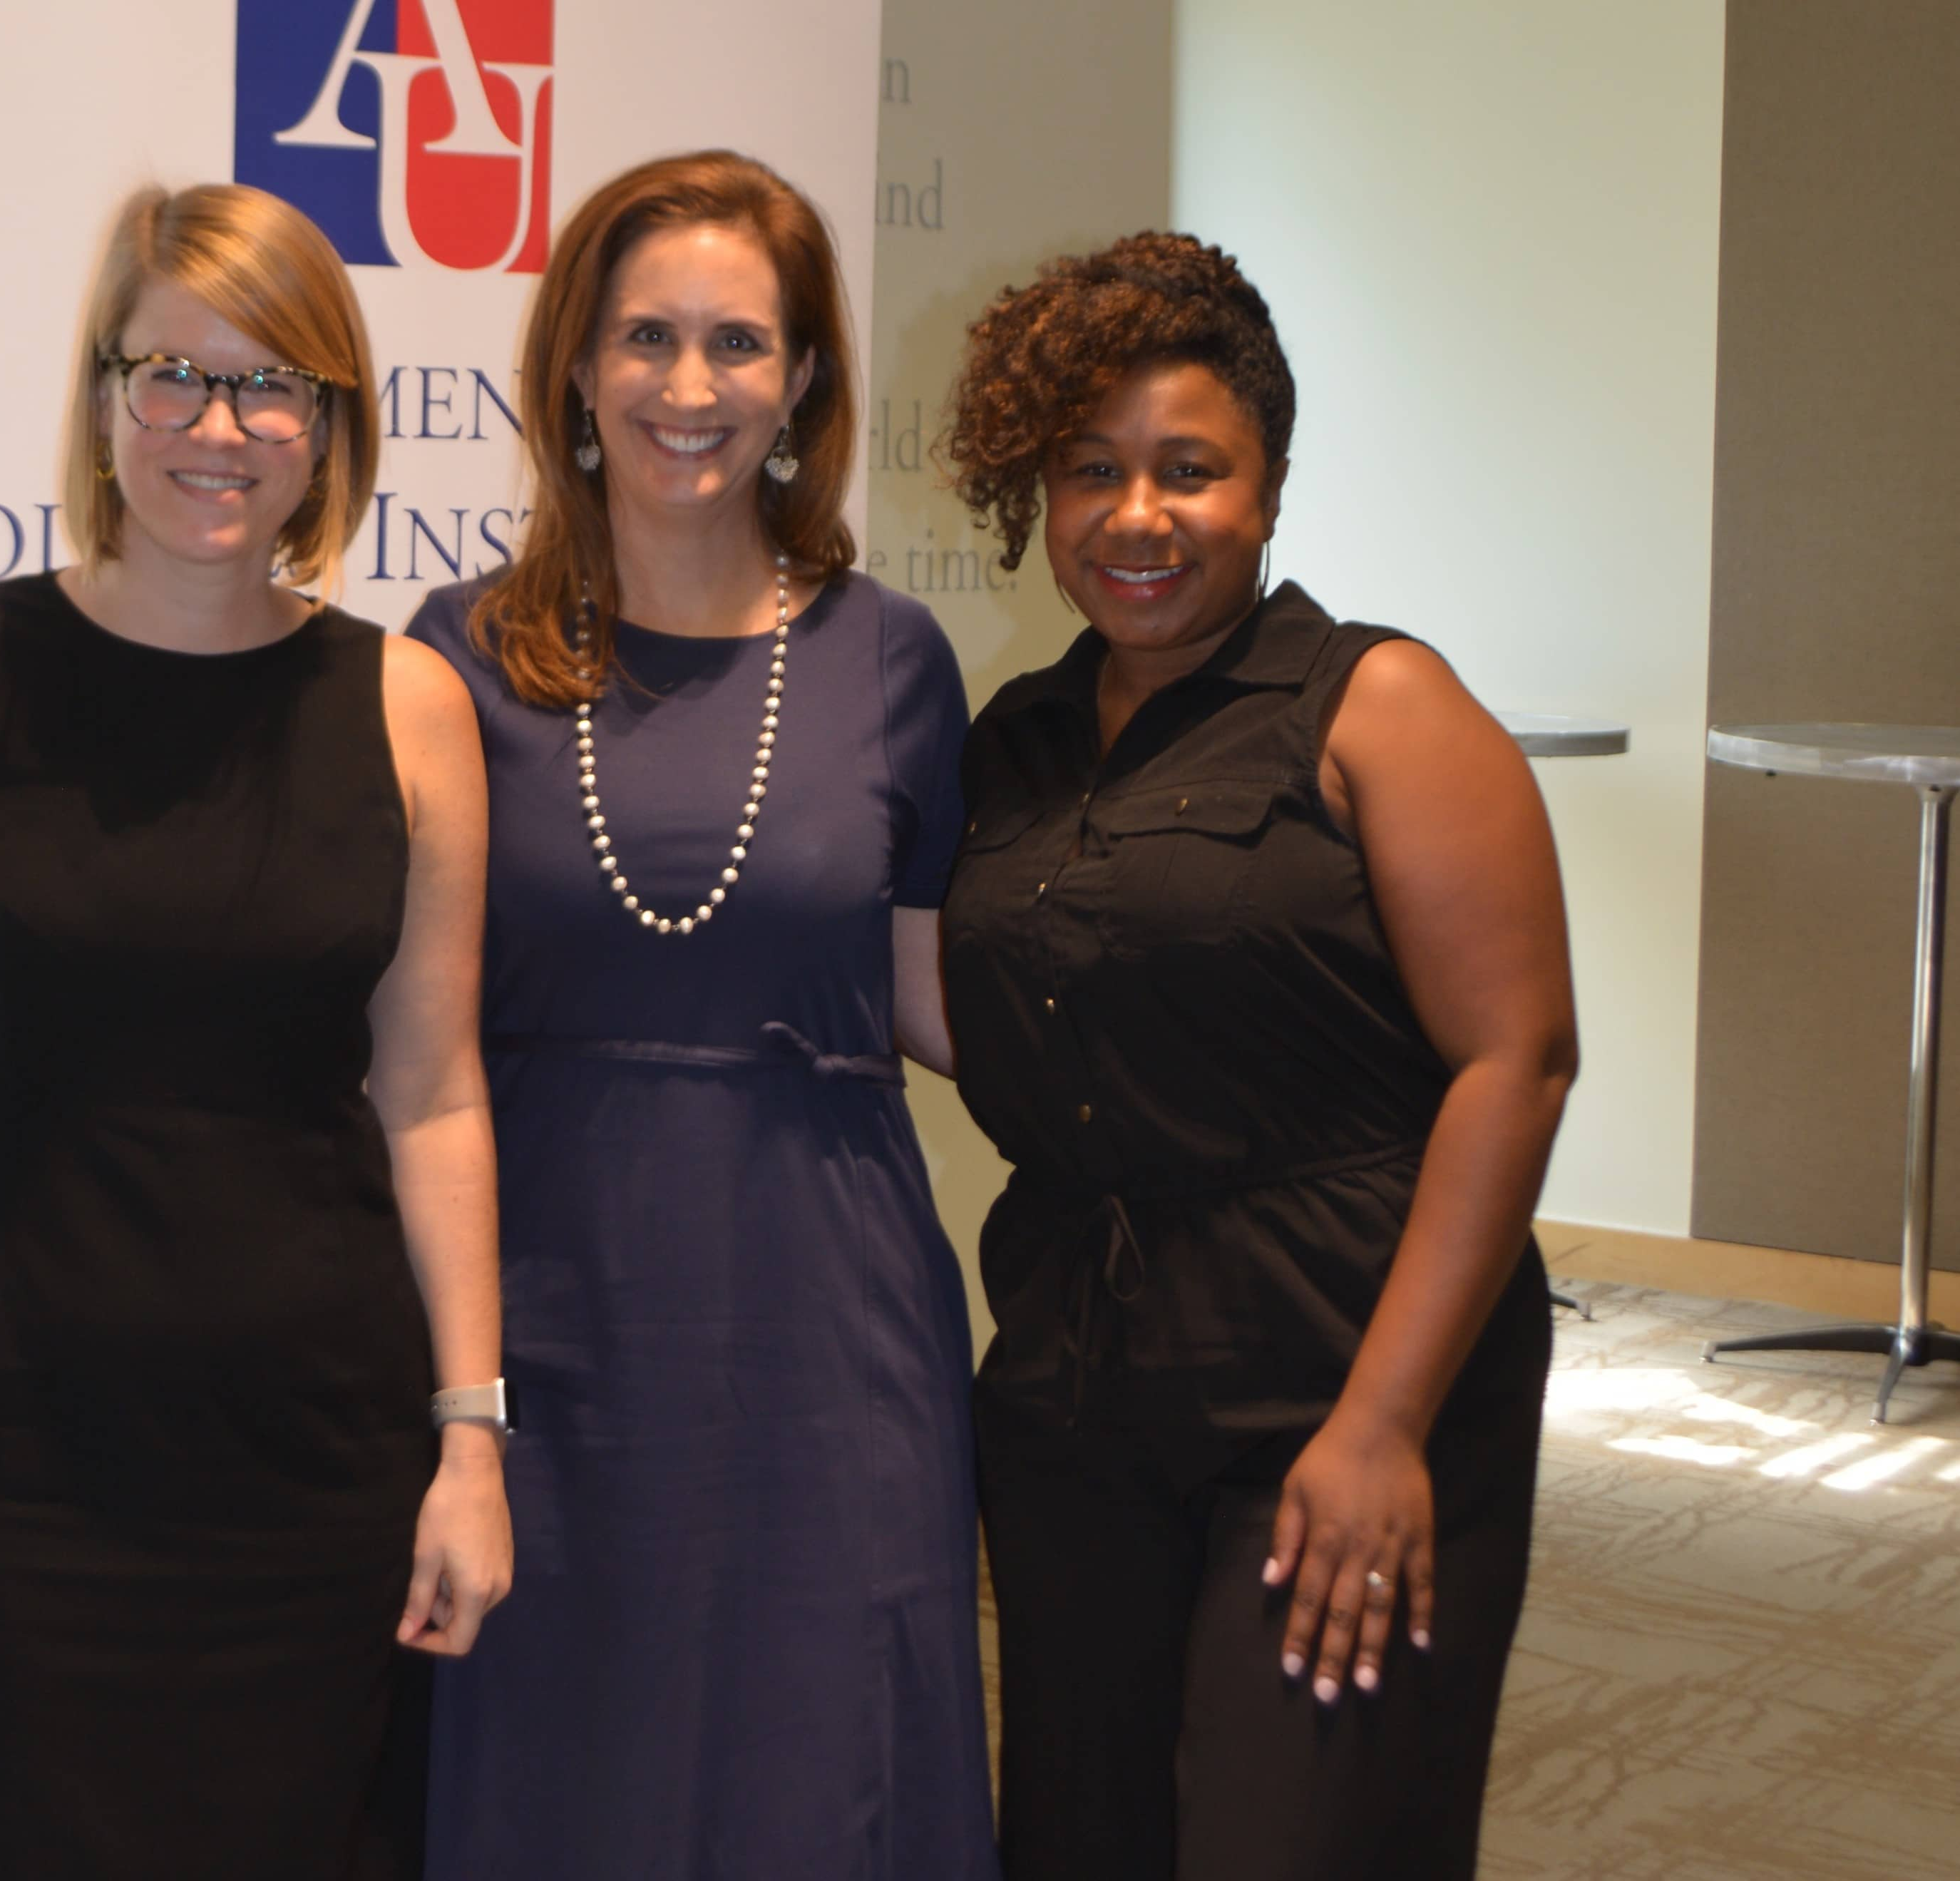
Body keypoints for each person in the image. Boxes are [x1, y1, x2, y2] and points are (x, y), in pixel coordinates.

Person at [0, 180, 508, 1880]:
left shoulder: (410, 706)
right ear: (102, 393)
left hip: (311, 1474)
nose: (223, 426)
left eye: (275, 381)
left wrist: (470, 1436)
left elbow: (431, 1096)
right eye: (175, 375)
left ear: (331, 420)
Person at [935, 232, 1576, 1880]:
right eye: (1090, 470)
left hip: (1335, 1372)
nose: (1135, 516)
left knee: (1294, 1839)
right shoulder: (1009, 740)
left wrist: (1383, 1425)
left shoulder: (1376, 705)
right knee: (1084, 1835)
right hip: (1079, 1391)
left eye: (1188, 469)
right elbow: (987, 1008)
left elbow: (1517, 1057)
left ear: (1269, 484)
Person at [403, 150, 998, 1879]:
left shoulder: (891, 658)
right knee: (555, 1770)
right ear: (576, 368)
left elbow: (929, 991)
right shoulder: (452, 654)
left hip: (830, 1331)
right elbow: (388, 1021)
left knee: (823, 1774)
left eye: (739, 343)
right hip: (547, 1330)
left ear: (803, 379)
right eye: (645, 337)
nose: (688, 388)